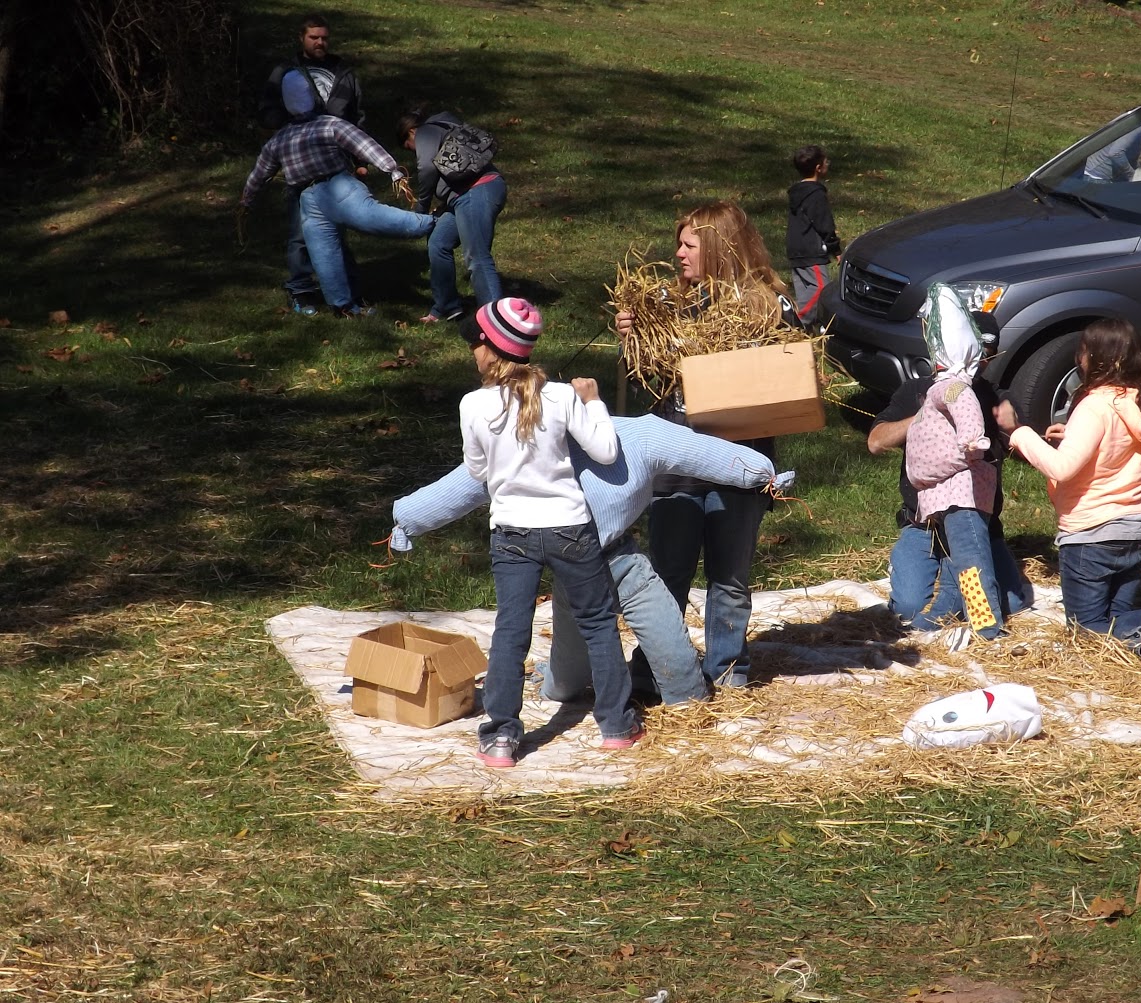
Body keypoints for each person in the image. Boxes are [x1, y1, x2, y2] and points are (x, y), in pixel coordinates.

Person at [389, 314, 796, 704]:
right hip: (578, 553)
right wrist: (409, 518)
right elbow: (466, 485)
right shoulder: (558, 431)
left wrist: (762, 473)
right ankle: (629, 697)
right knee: (571, 672)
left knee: (633, 635)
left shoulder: (632, 435)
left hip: (601, 553)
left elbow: (701, 453)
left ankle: (674, 695)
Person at [614, 200, 797, 689]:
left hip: (739, 459)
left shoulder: (768, 305)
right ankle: (659, 672)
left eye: (688, 244)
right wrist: (634, 341)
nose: (677, 254)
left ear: (717, 247)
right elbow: (646, 384)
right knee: (667, 576)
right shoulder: (670, 305)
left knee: (730, 577)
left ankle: (729, 672)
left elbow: (792, 372)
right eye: (678, 243)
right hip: (677, 458)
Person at [461, 297, 639, 766]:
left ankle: (501, 736)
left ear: (492, 347)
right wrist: (595, 401)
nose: (473, 351)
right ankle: (617, 725)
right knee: (598, 623)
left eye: (476, 342)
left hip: (512, 532)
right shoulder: (561, 397)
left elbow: (477, 469)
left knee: (511, 631)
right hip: (569, 529)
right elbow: (604, 450)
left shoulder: (472, 405)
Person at [995, 317, 1141, 666]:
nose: (1077, 359)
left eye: (1083, 352)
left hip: (1091, 535)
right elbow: (1113, 450)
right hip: (1134, 528)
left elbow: (1061, 468)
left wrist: (1020, 434)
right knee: (1112, 632)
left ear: (1101, 358)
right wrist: (1072, 437)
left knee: (1084, 632)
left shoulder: (1093, 406)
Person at [240, 74, 434, 318]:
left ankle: (430, 224)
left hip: (332, 188)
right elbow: (361, 142)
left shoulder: (283, 138)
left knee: (371, 220)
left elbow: (260, 173)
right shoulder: (327, 124)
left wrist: (390, 168)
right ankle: (344, 306)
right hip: (312, 199)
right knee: (325, 255)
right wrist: (390, 167)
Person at [902, 285, 1014, 642]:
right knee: (955, 563)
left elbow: (966, 415)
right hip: (946, 493)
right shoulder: (946, 386)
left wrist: (972, 439)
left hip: (963, 494)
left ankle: (987, 626)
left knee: (970, 563)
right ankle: (939, 617)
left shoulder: (954, 389)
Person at [257, 14, 366, 316]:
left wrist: (359, 160)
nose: (320, 42)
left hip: (337, 163)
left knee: (339, 230)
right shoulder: (285, 71)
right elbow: (266, 110)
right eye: (313, 37)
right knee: (299, 231)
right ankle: (302, 291)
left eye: (324, 38)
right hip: (300, 162)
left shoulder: (344, 72)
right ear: (301, 38)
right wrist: (287, 130)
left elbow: (357, 118)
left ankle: (349, 292)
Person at [397, 106, 507, 324]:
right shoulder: (445, 124)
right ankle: (446, 306)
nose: (413, 150)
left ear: (410, 133)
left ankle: (497, 321)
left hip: (478, 191)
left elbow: (428, 169)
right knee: (438, 242)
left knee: (477, 256)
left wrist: (421, 209)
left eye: (408, 147)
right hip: (463, 197)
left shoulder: (425, 132)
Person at [785, 145, 841, 329]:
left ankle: (807, 330)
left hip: (795, 250)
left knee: (804, 292)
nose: (827, 165)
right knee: (821, 292)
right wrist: (835, 249)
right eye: (826, 162)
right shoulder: (816, 194)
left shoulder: (797, 192)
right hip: (811, 252)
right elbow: (824, 224)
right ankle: (797, 323)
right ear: (818, 168)